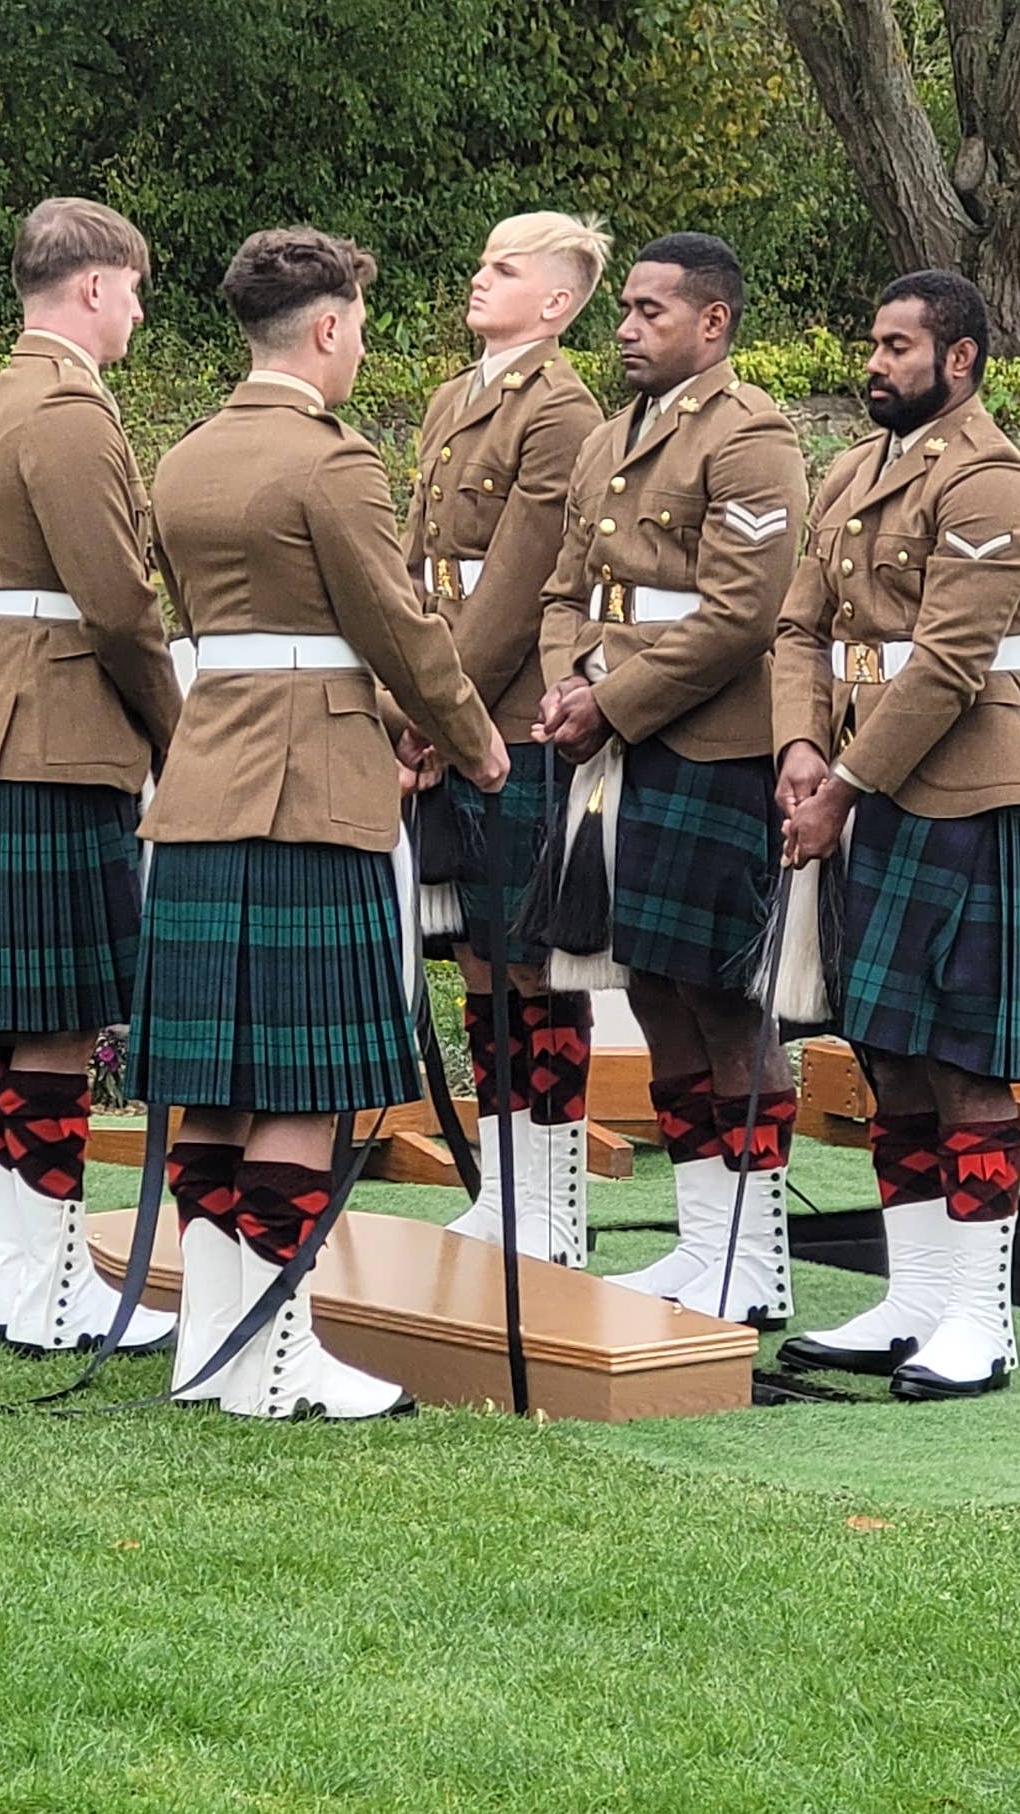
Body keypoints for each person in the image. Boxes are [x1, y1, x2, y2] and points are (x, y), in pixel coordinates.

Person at [137, 226, 505, 1420]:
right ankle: (279, 1355)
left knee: (215, 1086)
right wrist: (472, 741)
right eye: (359, 329)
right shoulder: (332, 463)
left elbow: (233, 628)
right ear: (330, 326)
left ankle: (216, 1344)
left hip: (205, 778)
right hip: (312, 791)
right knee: (301, 1083)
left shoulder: (184, 457)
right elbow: (396, 627)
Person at [773, 269, 1020, 1399]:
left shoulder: (990, 481)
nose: (875, 363)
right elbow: (799, 628)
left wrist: (841, 783)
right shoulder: (852, 469)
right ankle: (913, 1298)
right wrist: (798, 746)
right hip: (862, 786)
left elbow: (951, 663)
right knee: (889, 1053)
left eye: (898, 346)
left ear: (959, 359)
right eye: (874, 342)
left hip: (964, 791)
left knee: (964, 1062)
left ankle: (981, 1318)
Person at [0, 198, 179, 1355]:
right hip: (56, 735)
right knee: (59, 1025)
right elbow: (116, 603)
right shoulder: (69, 412)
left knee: (6, 1028)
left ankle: (13, 1275)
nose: (136, 313)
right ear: (93, 285)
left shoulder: (4, 397)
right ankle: (55, 1281)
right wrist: (176, 728)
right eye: (133, 290)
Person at [529, 233, 808, 1328]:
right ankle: (702, 1245)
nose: (627, 328)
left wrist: (612, 699)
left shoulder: (751, 436)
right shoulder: (609, 437)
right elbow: (564, 592)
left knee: (723, 1000)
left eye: (652, 311)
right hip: (617, 742)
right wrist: (566, 683)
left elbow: (743, 614)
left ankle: (755, 1258)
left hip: (709, 745)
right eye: (627, 310)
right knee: (649, 986)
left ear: (713, 321)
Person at [404, 212, 610, 1267]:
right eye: (482, 260)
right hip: (448, 698)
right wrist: (409, 685)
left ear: (558, 302)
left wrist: (438, 707)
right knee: (479, 958)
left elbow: (521, 583)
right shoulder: (455, 398)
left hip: (511, 711)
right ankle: (504, 1185)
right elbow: (417, 562)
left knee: (534, 961)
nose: (479, 278)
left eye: (505, 268)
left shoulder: (561, 409)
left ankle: (555, 1204)